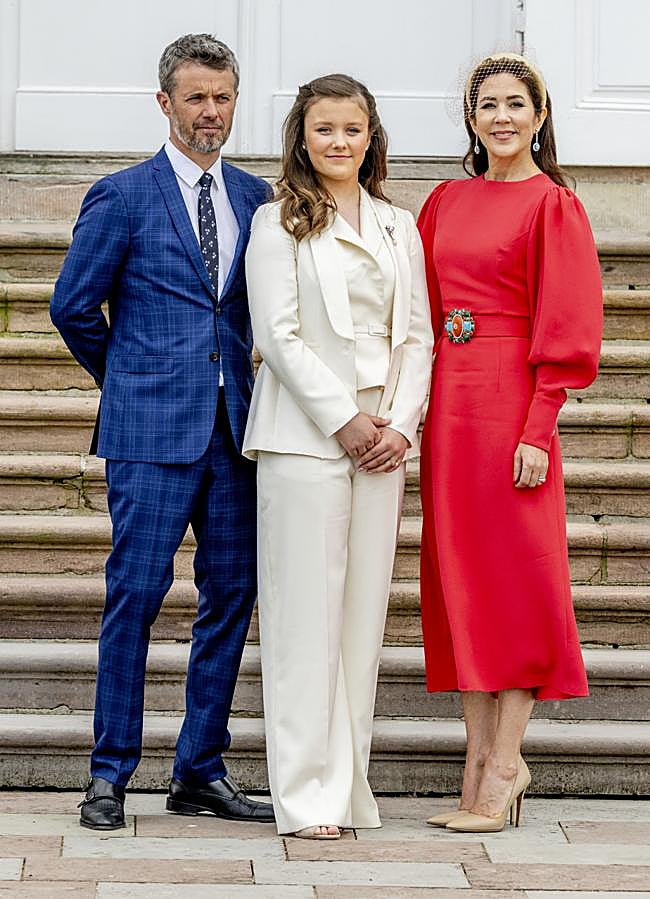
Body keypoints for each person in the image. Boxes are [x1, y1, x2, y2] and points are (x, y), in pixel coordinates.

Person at [50, 33, 274, 830]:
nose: (210, 112)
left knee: (231, 599)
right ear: (165, 103)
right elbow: (72, 307)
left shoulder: (259, 200)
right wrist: (132, 379)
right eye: (195, 98)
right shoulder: (123, 195)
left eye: (222, 97)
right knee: (135, 597)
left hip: (238, 431)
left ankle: (199, 771)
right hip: (149, 433)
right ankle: (108, 774)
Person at [417, 53, 603, 833]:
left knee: (516, 584)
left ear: (540, 115)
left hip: (510, 411)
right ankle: (475, 753)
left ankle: (506, 760)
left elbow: (566, 326)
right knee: (459, 581)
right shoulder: (443, 200)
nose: (501, 116)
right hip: (447, 409)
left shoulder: (554, 205)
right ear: (470, 117)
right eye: (486, 104)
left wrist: (539, 426)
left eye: (515, 104)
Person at [243, 74, 433, 839]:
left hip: (383, 444)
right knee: (303, 621)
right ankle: (305, 794)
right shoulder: (274, 221)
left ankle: (348, 786)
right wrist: (345, 418)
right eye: (324, 128)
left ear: (372, 136)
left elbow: (414, 334)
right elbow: (278, 336)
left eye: (352, 128)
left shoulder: (399, 224)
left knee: (359, 622)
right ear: (302, 137)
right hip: (304, 437)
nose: (339, 142)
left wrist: (400, 423)